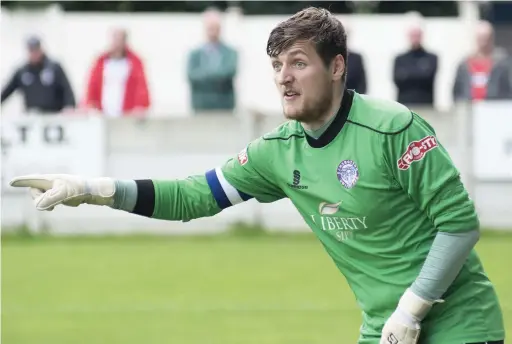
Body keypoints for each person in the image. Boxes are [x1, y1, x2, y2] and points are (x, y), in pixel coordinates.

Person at [10, 7, 505, 344]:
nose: (283, 77)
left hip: (458, 325)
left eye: (298, 63)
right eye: (276, 65)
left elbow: (459, 224)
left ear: (337, 67)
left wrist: (411, 310)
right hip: (384, 329)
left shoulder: (392, 127)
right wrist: (95, 190)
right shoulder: (276, 152)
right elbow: (191, 197)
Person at [82, 28, 151, 117]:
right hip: (103, 111)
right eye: (115, 39)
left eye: (120, 39)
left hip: (127, 112)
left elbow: (141, 87)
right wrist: (91, 104)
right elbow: (92, 85)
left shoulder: (134, 63)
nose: (117, 43)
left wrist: (140, 106)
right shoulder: (101, 62)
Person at [1, 36, 76, 114]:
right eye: (31, 50)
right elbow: (7, 91)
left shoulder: (54, 68)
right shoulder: (22, 71)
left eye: (36, 50)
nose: (34, 53)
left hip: (53, 115)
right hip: (31, 115)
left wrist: (69, 105)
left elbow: (67, 89)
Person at [186, 7, 238, 113]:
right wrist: (216, 75)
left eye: (216, 28)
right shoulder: (194, 54)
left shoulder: (231, 53)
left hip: (224, 106)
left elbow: (229, 73)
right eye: (210, 28)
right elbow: (191, 75)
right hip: (201, 106)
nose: (213, 32)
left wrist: (204, 74)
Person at [452, 20, 512, 102]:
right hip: (469, 109)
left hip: (494, 108)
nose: (484, 42)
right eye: (481, 38)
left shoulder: (502, 64)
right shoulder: (464, 65)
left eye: (486, 37)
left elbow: (507, 89)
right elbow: (457, 91)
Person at [392, 18, 438, 106]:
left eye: (417, 35)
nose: (415, 38)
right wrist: (420, 72)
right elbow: (397, 80)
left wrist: (406, 74)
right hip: (404, 106)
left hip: (425, 105)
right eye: (413, 35)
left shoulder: (432, 58)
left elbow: (428, 78)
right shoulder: (400, 59)